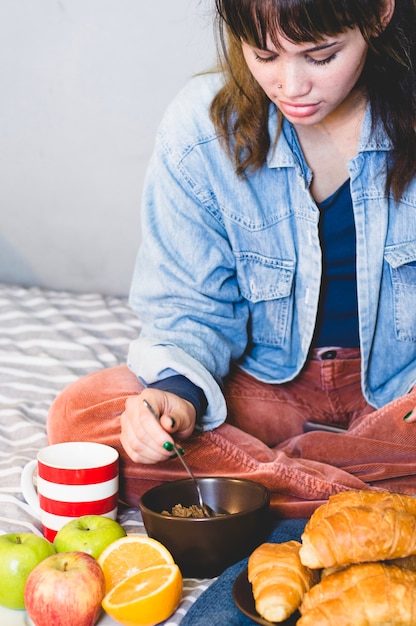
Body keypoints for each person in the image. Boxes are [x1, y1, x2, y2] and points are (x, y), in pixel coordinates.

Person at [47, 0, 416, 518]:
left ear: (379, 13)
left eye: (321, 56)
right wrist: (175, 396)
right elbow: (189, 309)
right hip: (265, 392)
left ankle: (259, 486)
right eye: (264, 55)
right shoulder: (201, 130)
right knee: (80, 415)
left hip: (400, 399)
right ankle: (364, 491)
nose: (291, 86)